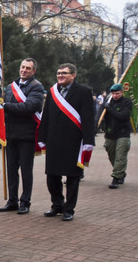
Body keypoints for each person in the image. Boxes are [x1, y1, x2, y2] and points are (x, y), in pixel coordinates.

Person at [37, 63, 95, 221]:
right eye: (58, 73)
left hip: (73, 141)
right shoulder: (52, 91)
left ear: (73, 75)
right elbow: (46, 116)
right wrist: (41, 137)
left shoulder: (83, 91)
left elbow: (88, 118)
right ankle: (57, 205)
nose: (60, 75)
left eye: (64, 73)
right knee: (52, 175)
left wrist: (89, 140)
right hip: (54, 140)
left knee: (72, 177)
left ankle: (69, 209)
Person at [0, 58, 44, 214]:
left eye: (28, 68)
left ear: (33, 71)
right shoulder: (11, 87)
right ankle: (12, 201)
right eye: (22, 67)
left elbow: (29, 107)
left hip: (27, 136)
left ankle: (25, 201)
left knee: (25, 170)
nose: (24, 70)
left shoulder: (37, 87)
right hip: (10, 135)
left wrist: (5, 106)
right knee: (11, 170)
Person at [102, 83, 134, 188]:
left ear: (122, 92)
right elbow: (99, 116)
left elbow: (122, 116)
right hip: (110, 132)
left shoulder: (127, 102)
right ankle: (121, 172)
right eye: (113, 93)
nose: (115, 95)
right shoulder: (107, 103)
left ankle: (115, 178)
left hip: (123, 132)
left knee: (120, 155)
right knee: (112, 155)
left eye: (117, 93)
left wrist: (110, 108)